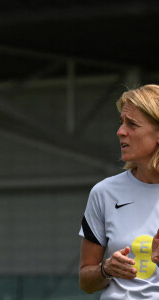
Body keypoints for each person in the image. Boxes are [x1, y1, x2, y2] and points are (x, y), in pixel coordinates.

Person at [79, 84, 159, 299]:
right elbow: (86, 281)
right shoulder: (104, 192)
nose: (120, 131)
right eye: (121, 122)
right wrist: (106, 269)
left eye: (132, 124)